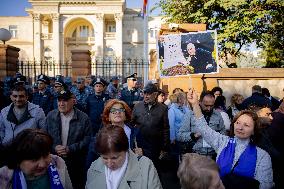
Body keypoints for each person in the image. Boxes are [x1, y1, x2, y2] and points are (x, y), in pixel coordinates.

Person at [187, 89, 274, 189]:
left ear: (254, 130)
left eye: (246, 125)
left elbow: (265, 185)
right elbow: (203, 128)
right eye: (238, 123)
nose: (240, 127)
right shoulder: (223, 142)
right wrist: (194, 104)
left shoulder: (262, 156)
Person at [85, 125, 162, 189]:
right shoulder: (94, 167)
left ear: (126, 150)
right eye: (104, 158)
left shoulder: (145, 166)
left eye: (114, 158)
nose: (109, 164)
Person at [45, 89, 92, 189]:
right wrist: (54, 148)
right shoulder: (50, 116)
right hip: (54, 162)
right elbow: (44, 136)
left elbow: (87, 139)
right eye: (59, 100)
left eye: (65, 100)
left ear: (73, 101)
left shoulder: (83, 118)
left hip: (75, 164)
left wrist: (70, 149)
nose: (61, 104)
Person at [0, 129, 73, 189]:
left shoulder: (58, 163)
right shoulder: (4, 176)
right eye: (34, 159)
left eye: (45, 155)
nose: (42, 164)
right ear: (18, 159)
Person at [86, 99, 143, 169]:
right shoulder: (100, 137)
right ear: (108, 117)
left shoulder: (136, 133)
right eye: (113, 110)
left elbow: (148, 152)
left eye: (121, 110)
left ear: (125, 115)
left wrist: (143, 152)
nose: (117, 112)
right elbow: (90, 162)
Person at [178, 91, 225, 159]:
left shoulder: (218, 115)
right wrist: (193, 135)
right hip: (195, 155)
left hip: (213, 156)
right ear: (200, 102)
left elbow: (223, 134)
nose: (209, 108)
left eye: (211, 106)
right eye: (206, 105)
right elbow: (180, 136)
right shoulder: (190, 114)